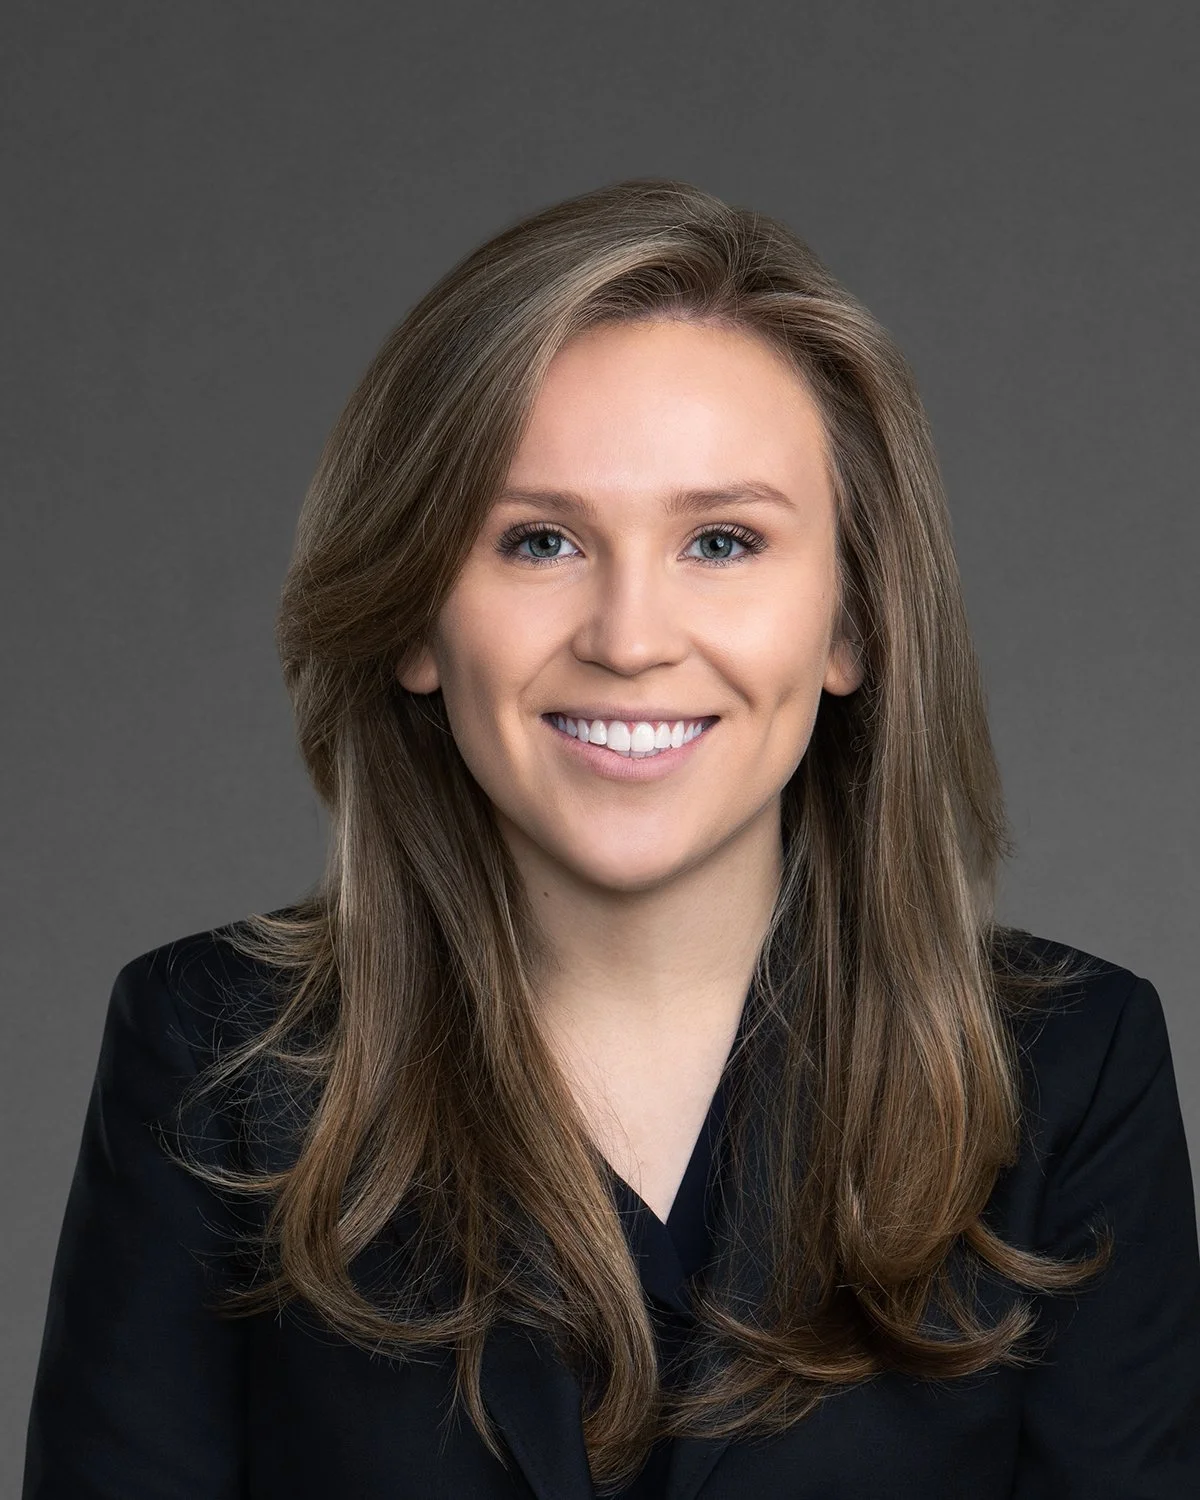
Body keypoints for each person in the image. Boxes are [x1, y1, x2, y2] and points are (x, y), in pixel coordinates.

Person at [22, 179, 1200, 1499]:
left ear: (853, 623)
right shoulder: (211, 1060)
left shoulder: (1070, 1074)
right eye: (538, 541)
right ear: (414, 617)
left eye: (722, 541)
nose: (630, 638)